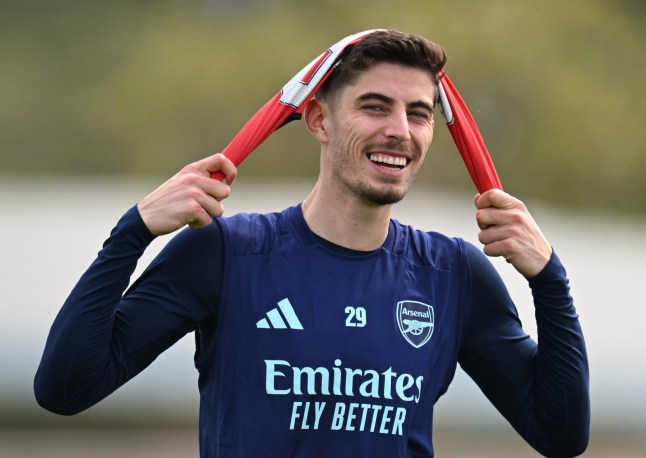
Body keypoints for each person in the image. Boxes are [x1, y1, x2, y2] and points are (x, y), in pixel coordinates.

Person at [34, 29, 590, 457]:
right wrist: (131, 233)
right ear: (319, 119)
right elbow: (66, 388)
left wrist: (549, 280)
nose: (400, 129)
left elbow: (560, 434)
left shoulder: (453, 274)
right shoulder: (228, 252)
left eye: (418, 114)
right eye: (375, 106)